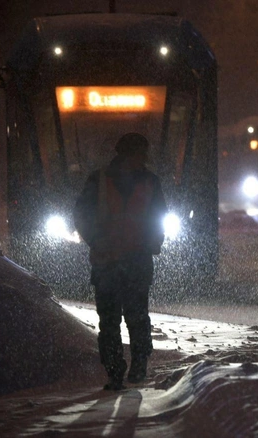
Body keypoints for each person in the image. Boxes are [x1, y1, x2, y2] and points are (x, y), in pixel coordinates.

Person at [73, 132, 167, 390]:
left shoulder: (143, 181)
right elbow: (81, 214)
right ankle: (115, 370)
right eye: (140, 154)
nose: (144, 159)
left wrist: (153, 241)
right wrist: (96, 240)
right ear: (128, 154)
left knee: (131, 317)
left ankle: (135, 365)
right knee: (115, 320)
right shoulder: (103, 180)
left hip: (124, 261)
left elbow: (159, 217)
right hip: (113, 261)